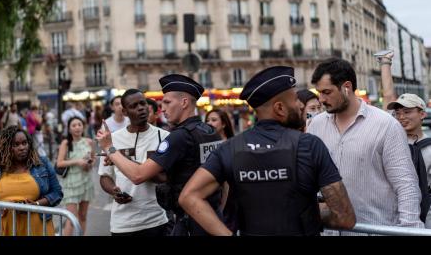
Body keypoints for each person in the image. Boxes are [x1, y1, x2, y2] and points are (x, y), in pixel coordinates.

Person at [178, 66, 356, 236]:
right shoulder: (309, 145)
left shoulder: (230, 148)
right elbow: (345, 217)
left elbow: (189, 196)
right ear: (279, 108)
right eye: (295, 100)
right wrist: (310, 214)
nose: (300, 106)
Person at [96, 74, 223, 236]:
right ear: (125, 111)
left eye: (167, 102)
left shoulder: (176, 137)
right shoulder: (210, 132)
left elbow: (138, 175)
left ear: (184, 102)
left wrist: (111, 150)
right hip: (210, 218)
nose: (162, 108)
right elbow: (223, 182)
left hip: (184, 221)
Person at [308, 58, 424, 231]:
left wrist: (408, 229)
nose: (321, 99)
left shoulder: (385, 125)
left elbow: (406, 184)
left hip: (375, 230)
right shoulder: (316, 125)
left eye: (327, 92)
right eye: (319, 93)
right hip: (329, 231)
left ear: (346, 87)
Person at [98, 89, 170, 236]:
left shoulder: (164, 137)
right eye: (134, 106)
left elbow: (166, 178)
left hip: (156, 220)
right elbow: (104, 177)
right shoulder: (112, 140)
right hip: (123, 224)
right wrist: (114, 191)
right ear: (124, 112)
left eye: (143, 103)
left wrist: (129, 163)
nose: (141, 108)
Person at [0, 126, 63, 236]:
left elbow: (57, 193)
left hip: (38, 229)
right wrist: (1, 210)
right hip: (3, 230)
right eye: (16, 144)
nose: (22, 147)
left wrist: (36, 204)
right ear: (6, 147)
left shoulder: (42, 164)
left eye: (24, 143)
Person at [387, 94, 431, 227]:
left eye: (407, 112)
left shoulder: (429, 148)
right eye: (397, 113)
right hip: (394, 214)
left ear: (422, 114)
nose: (401, 117)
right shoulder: (389, 145)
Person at [56, 116, 95, 236]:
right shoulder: (66, 143)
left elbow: (93, 159)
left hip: (86, 181)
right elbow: (59, 163)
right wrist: (77, 161)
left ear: (83, 126)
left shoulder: (89, 142)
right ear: (69, 129)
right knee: (71, 219)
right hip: (71, 183)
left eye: (79, 124)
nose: (77, 127)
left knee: (83, 216)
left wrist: (89, 164)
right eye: (74, 125)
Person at [205, 108, 236, 231]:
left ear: (223, 124)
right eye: (207, 120)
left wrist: (222, 208)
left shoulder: (231, 145)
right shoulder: (205, 145)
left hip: (229, 201)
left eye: (213, 120)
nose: (209, 123)